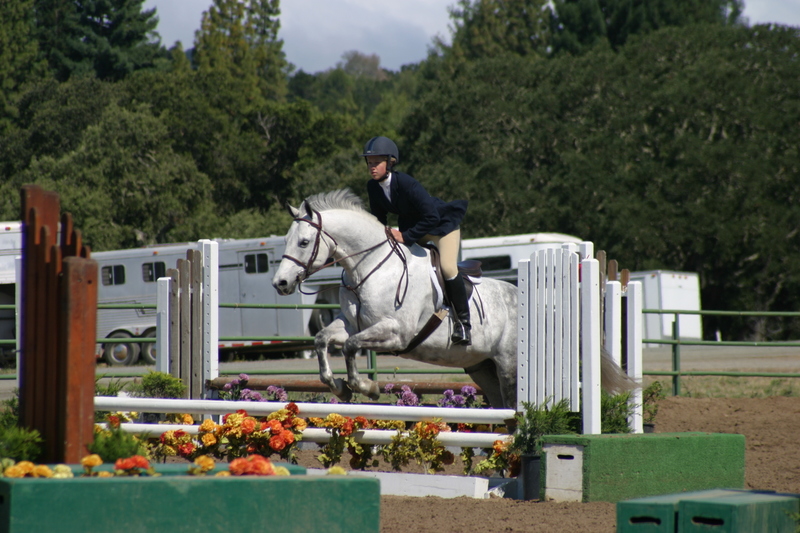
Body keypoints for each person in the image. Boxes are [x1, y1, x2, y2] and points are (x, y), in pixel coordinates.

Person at [361, 135, 472, 346]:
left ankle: (464, 325)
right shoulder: (373, 187)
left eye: (376, 162)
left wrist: (404, 236)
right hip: (414, 229)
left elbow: (432, 217)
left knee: (448, 268)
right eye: (369, 163)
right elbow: (379, 219)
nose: (372, 167)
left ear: (390, 162)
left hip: (441, 227)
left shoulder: (406, 183)